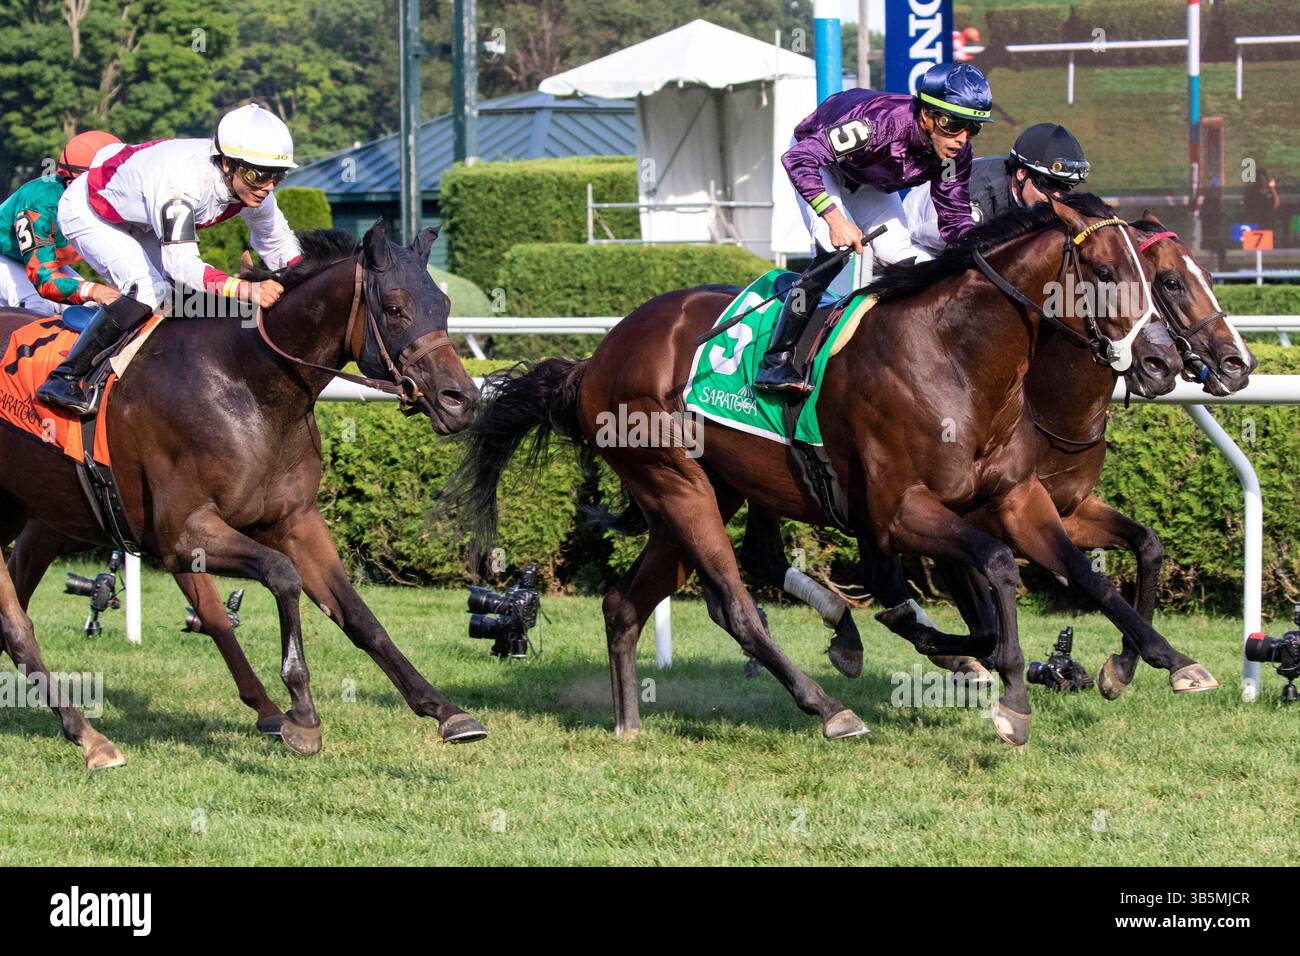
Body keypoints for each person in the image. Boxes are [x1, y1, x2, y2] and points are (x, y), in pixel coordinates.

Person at [38, 103, 303, 416]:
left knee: (176, 299)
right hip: (91, 212)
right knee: (148, 290)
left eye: (278, 176)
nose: (268, 186)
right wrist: (246, 290)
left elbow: (279, 243)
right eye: (259, 175)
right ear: (228, 163)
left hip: (141, 217)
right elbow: (183, 266)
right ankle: (65, 377)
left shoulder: (253, 188)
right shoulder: (183, 184)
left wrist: (308, 282)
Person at [756, 62, 995, 398]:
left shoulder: (956, 155)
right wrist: (834, 218)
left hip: (868, 179)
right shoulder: (877, 124)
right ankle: (775, 360)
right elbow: (798, 159)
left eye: (973, 128)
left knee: (906, 258)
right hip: (819, 160)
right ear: (926, 115)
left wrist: (987, 251)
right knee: (834, 250)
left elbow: (954, 219)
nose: (961, 139)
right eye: (953, 124)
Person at [904, 122, 1091, 257]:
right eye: (1049, 185)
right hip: (923, 242)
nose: (1057, 197)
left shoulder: (1031, 195)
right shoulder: (979, 200)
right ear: (1022, 174)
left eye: (1065, 188)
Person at [0, 131, 122, 314]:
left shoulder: (114, 201)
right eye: (109, 177)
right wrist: (96, 290)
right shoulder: (39, 204)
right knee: (37, 307)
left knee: (93, 310)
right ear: (74, 180)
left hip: (36, 261)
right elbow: (44, 279)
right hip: (6, 258)